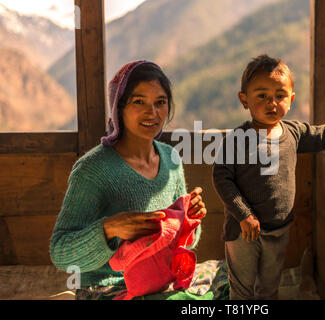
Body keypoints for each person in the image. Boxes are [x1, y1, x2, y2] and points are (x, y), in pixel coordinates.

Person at [212, 54, 325, 300]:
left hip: (279, 230)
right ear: (244, 99)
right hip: (243, 231)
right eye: (262, 96)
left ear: (290, 99)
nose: (272, 103)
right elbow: (222, 178)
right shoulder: (237, 139)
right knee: (242, 290)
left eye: (279, 96)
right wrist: (244, 214)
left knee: (269, 287)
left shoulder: (294, 133)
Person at [49, 60, 207, 299]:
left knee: (228, 281)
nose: (152, 113)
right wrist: (109, 228)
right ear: (118, 108)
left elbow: (184, 241)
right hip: (109, 287)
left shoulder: (171, 159)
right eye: (138, 101)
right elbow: (61, 252)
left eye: (160, 103)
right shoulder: (93, 170)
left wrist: (190, 218)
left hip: (161, 279)